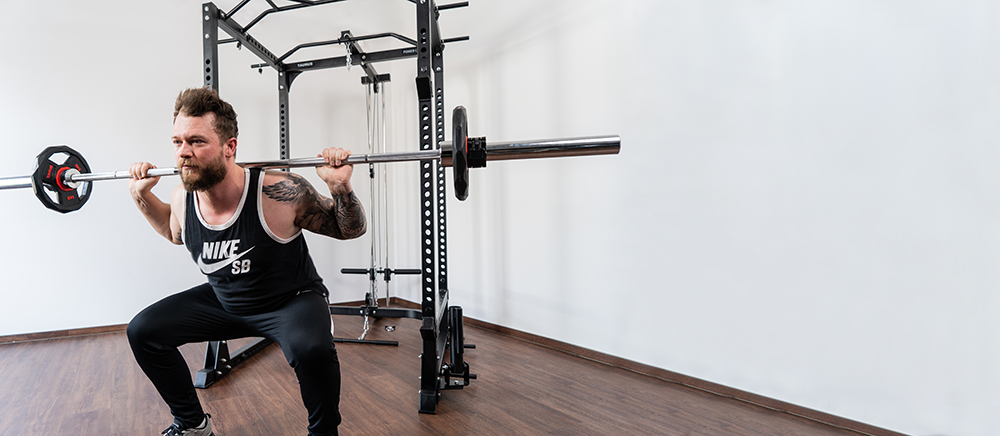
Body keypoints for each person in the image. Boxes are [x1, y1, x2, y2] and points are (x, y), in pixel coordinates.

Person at [125, 87, 365, 436]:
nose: (183, 153)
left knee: (311, 349)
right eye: (177, 142)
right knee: (143, 331)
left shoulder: (279, 191)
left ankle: (324, 432)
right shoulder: (182, 197)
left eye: (196, 141)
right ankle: (193, 425)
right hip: (226, 301)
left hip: (290, 302)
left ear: (230, 147)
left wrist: (341, 189)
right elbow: (175, 233)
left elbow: (348, 230)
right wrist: (142, 197)